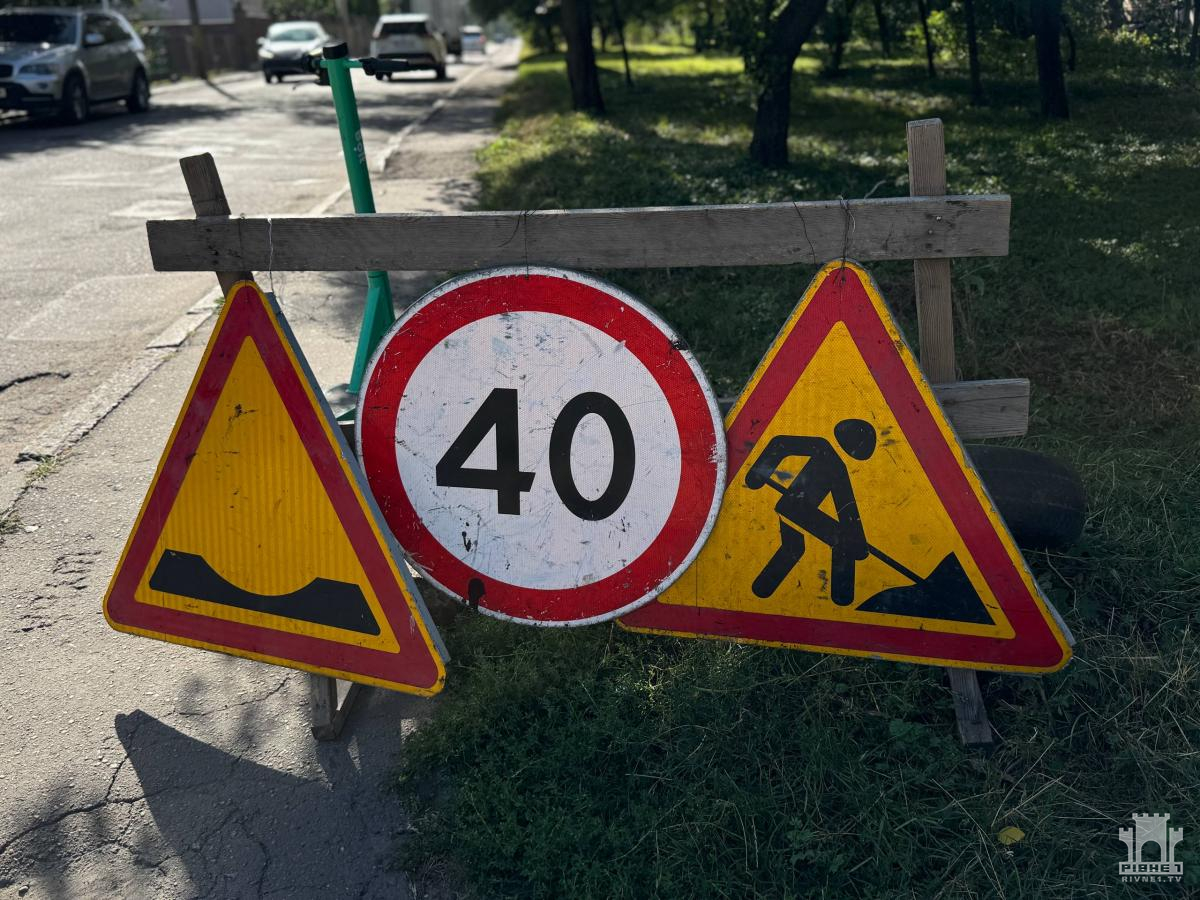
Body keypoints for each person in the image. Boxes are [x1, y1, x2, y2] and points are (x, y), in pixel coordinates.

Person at [744, 419, 877, 604]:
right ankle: (842, 596)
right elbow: (781, 444)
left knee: (793, 548)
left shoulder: (836, 464)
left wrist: (757, 475)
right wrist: (756, 475)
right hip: (797, 509)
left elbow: (846, 507)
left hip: (791, 507)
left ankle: (761, 589)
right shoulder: (825, 450)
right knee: (843, 542)